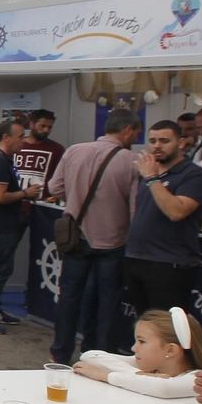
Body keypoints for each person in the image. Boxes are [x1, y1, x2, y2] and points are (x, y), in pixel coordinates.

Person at [46, 109, 140, 360]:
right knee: (108, 301)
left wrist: (75, 200)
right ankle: (99, 354)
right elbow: (135, 209)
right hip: (112, 243)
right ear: (128, 130)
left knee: (69, 298)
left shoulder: (75, 150)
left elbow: (54, 187)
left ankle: (61, 352)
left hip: (76, 239)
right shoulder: (132, 161)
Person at [125, 120, 202, 316]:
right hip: (137, 259)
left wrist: (153, 179)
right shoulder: (148, 174)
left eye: (164, 141)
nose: (157, 146)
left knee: (168, 331)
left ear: (181, 143)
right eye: (153, 140)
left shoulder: (194, 176)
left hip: (168, 264)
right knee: (146, 326)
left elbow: (176, 212)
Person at [0, 120, 41, 334]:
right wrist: (25, 194)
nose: (23, 140)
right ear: (6, 138)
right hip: (0, 224)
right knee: (0, 269)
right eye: (20, 136)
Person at [75, 307, 202, 399]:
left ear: (171, 350)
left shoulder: (197, 379)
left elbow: (164, 388)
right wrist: (137, 374)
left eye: (142, 342)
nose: (134, 348)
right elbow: (90, 356)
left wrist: (105, 375)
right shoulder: (144, 366)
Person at [13, 108, 64, 198]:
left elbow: (60, 179)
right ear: (32, 124)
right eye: (43, 126)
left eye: (49, 127)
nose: (46, 130)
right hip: (15, 201)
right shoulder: (16, 146)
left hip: (42, 205)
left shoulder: (57, 149)